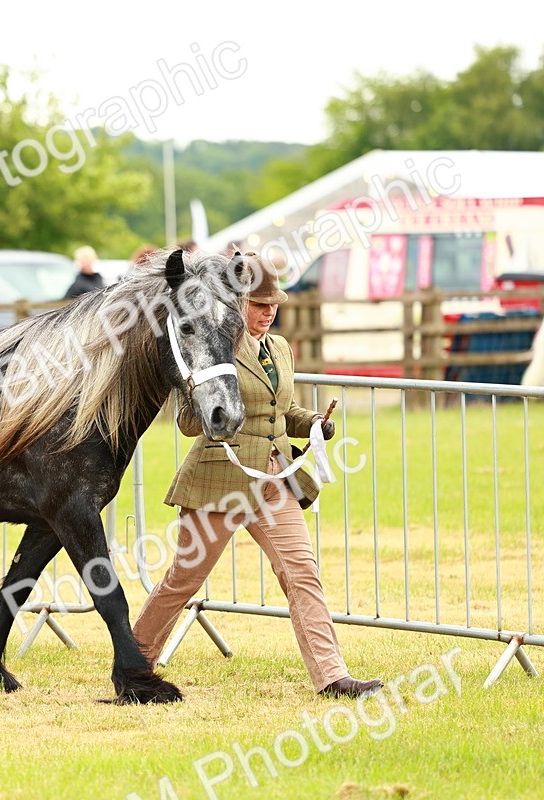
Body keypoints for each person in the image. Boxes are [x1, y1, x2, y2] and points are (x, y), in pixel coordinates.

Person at [132, 250, 384, 700]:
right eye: (258, 305)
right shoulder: (217, 344)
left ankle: (331, 676)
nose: (268, 313)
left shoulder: (281, 349)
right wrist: (210, 403)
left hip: (273, 478)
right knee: (183, 581)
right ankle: (134, 664)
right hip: (219, 481)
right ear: (237, 303)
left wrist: (314, 424)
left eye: (274, 306)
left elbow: (284, 411)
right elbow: (189, 423)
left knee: (302, 572)